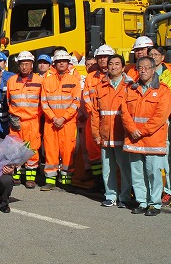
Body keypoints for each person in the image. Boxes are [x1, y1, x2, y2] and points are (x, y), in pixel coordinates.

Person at [121, 56, 171, 216]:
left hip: (152, 141)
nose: (142, 71)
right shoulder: (131, 89)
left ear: (153, 69)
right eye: (140, 68)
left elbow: (160, 117)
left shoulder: (163, 91)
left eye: (146, 68)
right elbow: (124, 112)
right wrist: (131, 128)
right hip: (134, 140)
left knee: (153, 173)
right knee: (137, 173)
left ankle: (154, 204)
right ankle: (142, 202)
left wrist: (141, 131)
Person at [90, 54, 133, 207]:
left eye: (117, 64)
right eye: (111, 64)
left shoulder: (130, 86)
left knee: (124, 167)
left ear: (123, 67)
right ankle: (110, 195)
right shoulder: (100, 86)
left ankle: (125, 196)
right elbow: (95, 113)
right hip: (105, 134)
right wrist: (96, 133)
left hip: (122, 133)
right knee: (107, 168)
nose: (113, 67)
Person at [40, 50, 81, 191]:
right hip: (51, 123)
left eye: (64, 61)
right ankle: (50, 181)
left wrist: (63, 118)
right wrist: (53, 118)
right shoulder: (47, 81)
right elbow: (44, 102)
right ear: (55, 64)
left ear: (68, 63)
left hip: (68, 123)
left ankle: (66, 181)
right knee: (50, 151)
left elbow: (76, 102)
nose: (61, 63)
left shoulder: (74, 81)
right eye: (59, 61)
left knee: (67, 151)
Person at [6, 51, 43, 188]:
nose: (24, 67)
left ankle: (30, 178)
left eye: (27, 64)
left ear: (32, 65)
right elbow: (9, 101)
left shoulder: (39, 81)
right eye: (22, 64)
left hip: (32, 121)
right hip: (16, 121)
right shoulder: (11, 81)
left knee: (32, 149)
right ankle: (15, 176)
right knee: (15, 149)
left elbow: (42, 101)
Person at [148, 45, 171, 207]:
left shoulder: (168, 76)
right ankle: (154, 190)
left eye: (156, 54)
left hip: (164, 122)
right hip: (148, 122)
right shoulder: (145, 74)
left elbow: (168, 101)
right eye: (150, 54)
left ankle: (169, 191)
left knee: (167, 160)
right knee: (152, 159)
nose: (153, 57)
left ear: (162, 57)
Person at [82, 44, 115, 191]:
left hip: (111, 120)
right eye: (100, 57)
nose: (103, 60)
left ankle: (113, 183)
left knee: (112, 152)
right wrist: (95, 114)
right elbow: (87, 97)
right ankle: (98, 182)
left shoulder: (116, 75)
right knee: (94, 151)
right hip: (93, 119)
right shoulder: (91, 77)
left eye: (105, 57)